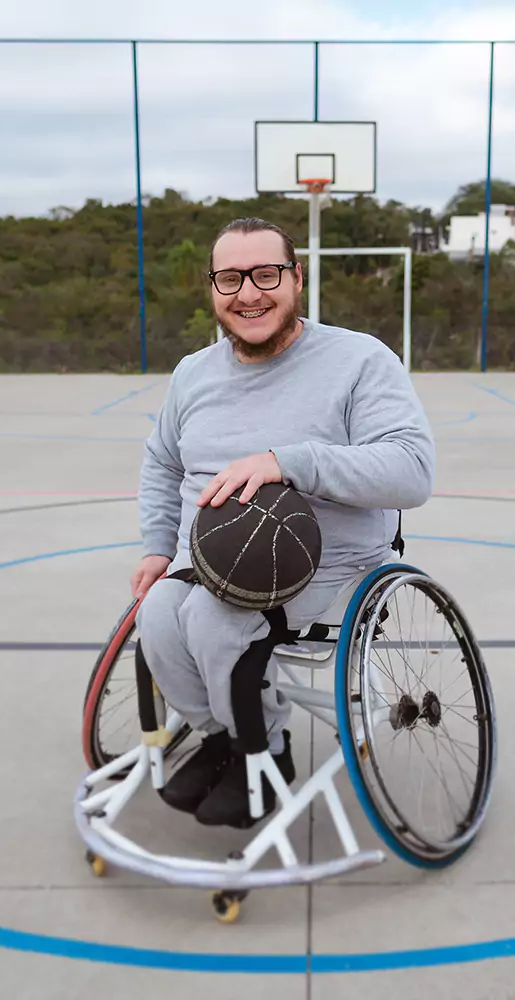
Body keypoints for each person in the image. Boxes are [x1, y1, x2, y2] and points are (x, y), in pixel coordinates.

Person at [131, 217, 436, 828]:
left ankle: (265, 752)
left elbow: (412, 470)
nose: (248, 293)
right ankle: (224, 737)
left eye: (265, 274)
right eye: (230, 278)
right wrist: (156, 546)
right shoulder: (193, 372)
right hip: (210, 559)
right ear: (212, 288)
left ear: (297, 278)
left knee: (214, 621)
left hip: (327, 568)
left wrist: (288, 463)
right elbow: (162, 461)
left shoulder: (358, 360)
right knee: (159, 616)